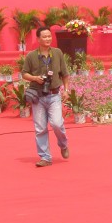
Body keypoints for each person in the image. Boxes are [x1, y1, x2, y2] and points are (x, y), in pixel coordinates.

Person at [21, 26, 70, 167]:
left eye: (49, 36)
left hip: (54, 95)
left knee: (57, 123)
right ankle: (45, 157)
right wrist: (35, 78)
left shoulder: (57, 53)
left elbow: (65, 74)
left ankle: (63, 144)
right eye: (44, 36)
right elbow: (24, 73)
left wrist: (66, 90)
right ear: (38, 39)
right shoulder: (31, 56)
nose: (48, 38)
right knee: (40, 128)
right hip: (38, 97)